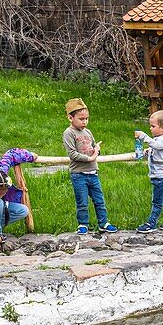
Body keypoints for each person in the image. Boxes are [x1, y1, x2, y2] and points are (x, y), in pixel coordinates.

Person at [63, 97, 117, 235]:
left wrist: (97, 149)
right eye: (81, 119)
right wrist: (90, 158)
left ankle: (103, 222)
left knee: (99, 200)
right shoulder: (69, 133)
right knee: (82, 202)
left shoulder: (88, 132)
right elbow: (73, 154)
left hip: (93, 173)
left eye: (87, 118)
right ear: (70, 118)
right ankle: (83, 224)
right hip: (79, 174)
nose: (85, 122)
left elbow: (93, 147)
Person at [135, 109, 163, 233]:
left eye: (153, 126)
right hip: (158, 176)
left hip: (162, 177)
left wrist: (144, 137)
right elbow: (155, 150)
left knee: (157, 202)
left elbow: (157, 146)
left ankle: (151, 223)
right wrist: (147, 152)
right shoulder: (157, 142)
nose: (150, 129)